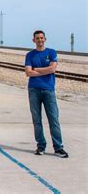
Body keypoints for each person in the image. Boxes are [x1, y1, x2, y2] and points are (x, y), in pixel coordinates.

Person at [24, 30, 68, 158]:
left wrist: (36, 69)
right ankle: (41, 145)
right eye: (37, 38)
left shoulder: (51, 52)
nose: (40, 40)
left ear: (45, 39)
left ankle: (58, 147)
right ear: (34, 40)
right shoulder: (30, 55)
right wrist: (45, 71)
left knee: (53, 119)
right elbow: (28, 73)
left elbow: (53, 68)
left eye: (42, 38)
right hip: (34, 90)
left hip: (48, 90)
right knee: (37, 120)